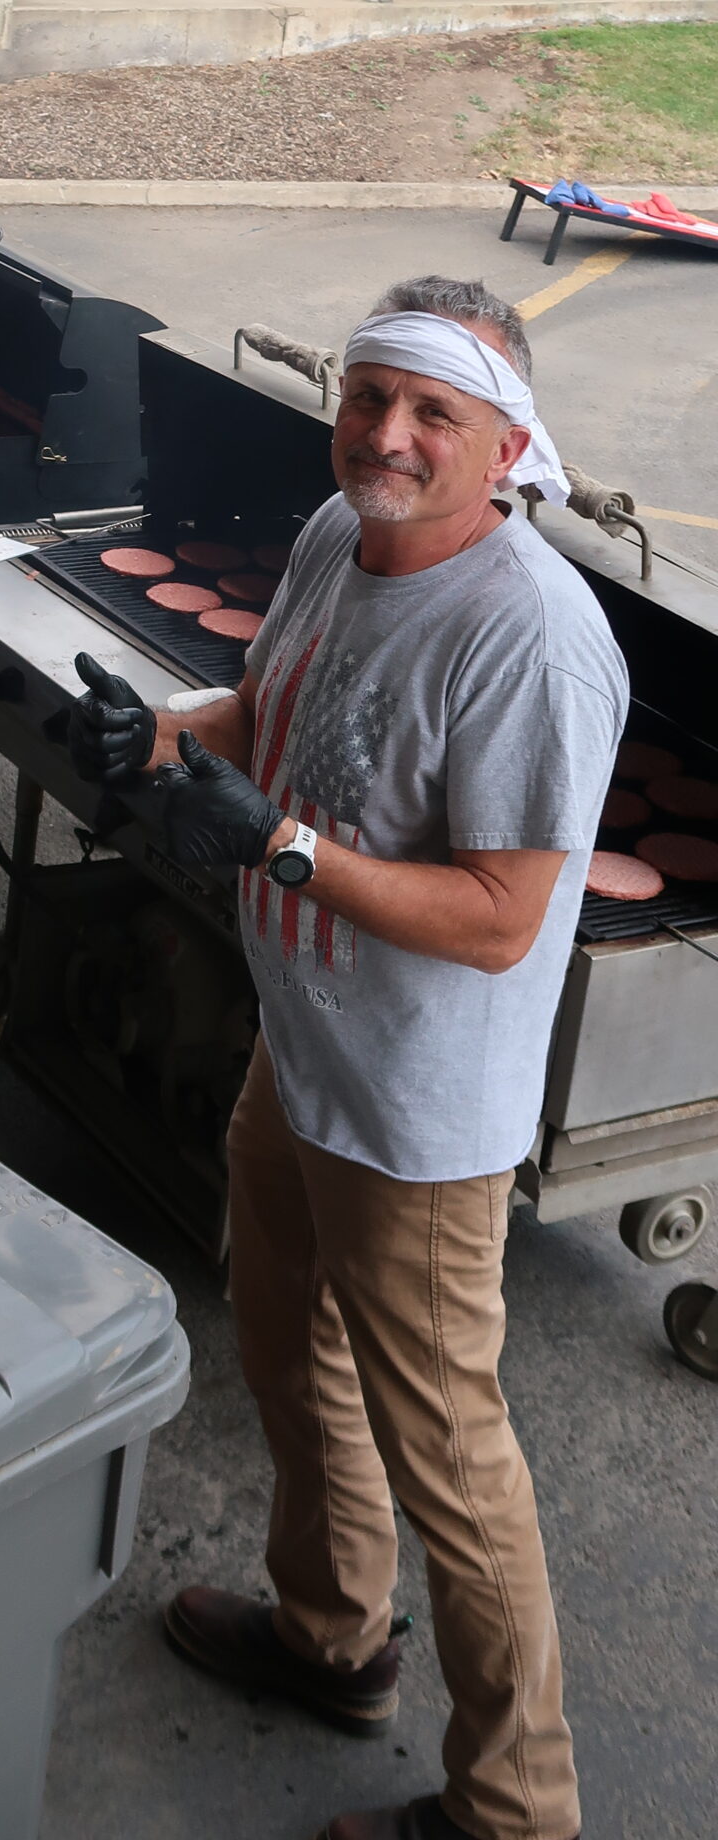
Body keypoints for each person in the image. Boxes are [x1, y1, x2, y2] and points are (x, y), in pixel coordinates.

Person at [69, 275, 624, 1840]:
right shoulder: (343, 536)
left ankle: (518, 1806)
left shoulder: (530, 640)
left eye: (430, 413)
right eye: (368, 398)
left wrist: (287, 851)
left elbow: (509, 915)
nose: (387, 434)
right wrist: (172, 736)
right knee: (287, 1351)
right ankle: (331, 1640)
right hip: (303, 1048)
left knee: (451, 1457)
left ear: (506, 443)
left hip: (420, 1121)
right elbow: (278, 706)